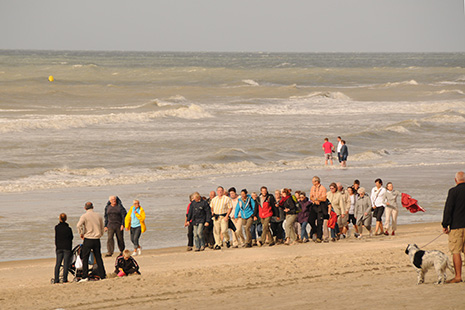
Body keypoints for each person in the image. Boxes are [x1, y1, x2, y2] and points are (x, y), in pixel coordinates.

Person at [442, 171, 465, 284]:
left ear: (456, 180)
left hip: (457, 226)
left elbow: (448, 208)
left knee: (456, 251)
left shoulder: (453, 191)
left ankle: (458, 276)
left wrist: (445, 224)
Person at [76, 202, 106, 281]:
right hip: (96, 239)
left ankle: (85, 276)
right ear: (93, 207)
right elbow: (102, 226)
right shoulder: (98, 215)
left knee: (85, 258)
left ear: (85, 208)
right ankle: (103, 275)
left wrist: (81, 233)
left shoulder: (84, 216)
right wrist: (100, 234)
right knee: (98, 257)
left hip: (88, 238)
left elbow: (78, 225)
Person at [54, 213, 73, 283]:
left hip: (59, 247)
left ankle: (56, 279)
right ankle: (64, 279)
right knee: (66, 264)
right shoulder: (68, 229)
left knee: (58, 264)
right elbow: (71, 237)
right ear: (66, 219)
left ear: (59, 219)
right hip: (67, 247)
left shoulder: (57, 228)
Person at [309, 176, 327, 243]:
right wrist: (314, 200)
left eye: (313, 181)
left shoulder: (323, 188)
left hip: (321, 206)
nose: (312, 182)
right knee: (310, 220)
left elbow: (324, 199)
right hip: (314, 205)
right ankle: (316, 231)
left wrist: (317, 199)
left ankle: (319, 237)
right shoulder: (312, 188)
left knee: (320, 222)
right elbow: (311, 197)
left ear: (317, 182)